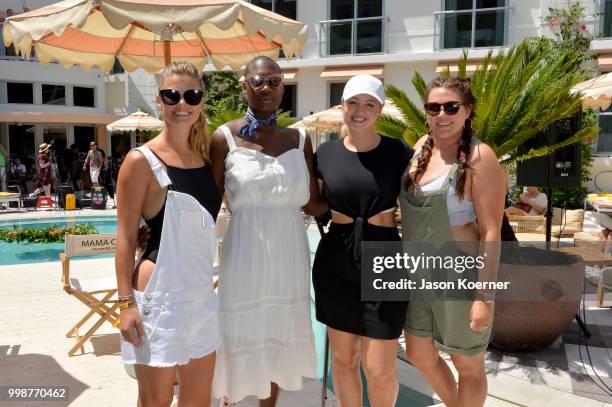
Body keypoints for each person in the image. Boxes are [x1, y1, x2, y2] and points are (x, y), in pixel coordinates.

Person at [209, 56, 326, 406]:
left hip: (289, 253)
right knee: (242, 330)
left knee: (277, 331)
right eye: (258, 81)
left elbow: (314, 203)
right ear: (245, 84)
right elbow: (208, 205)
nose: (266, 88)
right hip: (244, 252)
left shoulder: (301, 138)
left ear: (282, 87)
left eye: (274, 81)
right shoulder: (223, 138)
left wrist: (362, 210)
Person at [115, 62, 221, 406]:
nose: (181, 103)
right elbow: (126, 237)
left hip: (202, 296)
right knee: (155, 401)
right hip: (158, 295)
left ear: (202, 101)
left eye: (191, 95)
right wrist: (125, 303)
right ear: (159, 101)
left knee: (198, 401)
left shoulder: (207, 162)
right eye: (171, 95)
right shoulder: (140, 160)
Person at [399, 77, 505, 407]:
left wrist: (483, 298)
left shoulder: (479, 157)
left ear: (467, 111)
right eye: (433, 107)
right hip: (419, 275)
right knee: (417, 351)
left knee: (467, 364)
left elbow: (491, 231)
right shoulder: (419, 148)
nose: (441, 114)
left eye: (451, 107)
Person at [311, 75, 412, 406]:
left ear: (379, 110)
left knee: (378, 368)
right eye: (352, 102)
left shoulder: (399, 152)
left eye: (369, 104)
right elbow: (312, 200)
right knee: (343, 362)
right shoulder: (324, 154)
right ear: (343, 106)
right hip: (336, 259)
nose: (359, 110)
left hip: (385, 256)